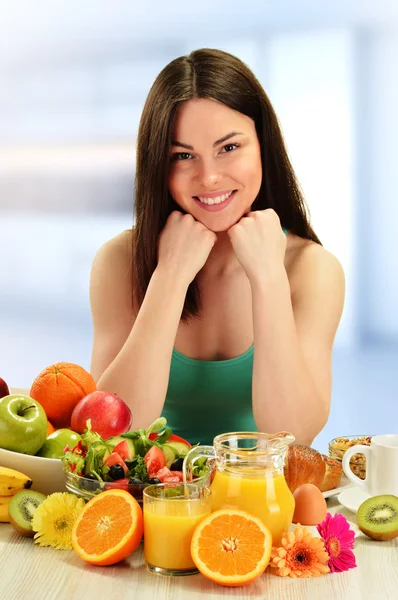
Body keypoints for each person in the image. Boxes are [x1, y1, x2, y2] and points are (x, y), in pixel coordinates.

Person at [89, 48, 345, 447]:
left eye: (229, 148)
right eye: (183, 156)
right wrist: (170, 276)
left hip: (257, 503)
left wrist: (268, 276)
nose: (208, 177)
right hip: (149, 501)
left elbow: (293, 436)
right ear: (159, 163)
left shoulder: (312, 269)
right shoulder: (118, 261)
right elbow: (112, 431)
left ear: (264, 143)